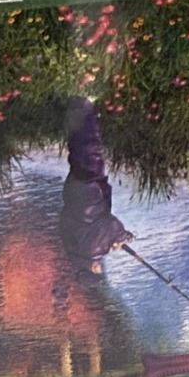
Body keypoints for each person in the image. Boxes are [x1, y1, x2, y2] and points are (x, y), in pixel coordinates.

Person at [59, 97, 133, 276]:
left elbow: (108, 224)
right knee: (77, 154)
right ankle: (73, 111)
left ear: (92, 269)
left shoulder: (93, 249)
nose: (100, 270)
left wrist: (120, 238)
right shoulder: (73, 249)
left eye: (98, 272)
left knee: (90, 149)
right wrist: (111, 242)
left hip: (89, 193)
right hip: (74, 192)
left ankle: (83, 105)